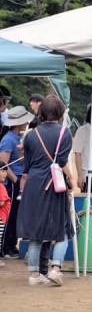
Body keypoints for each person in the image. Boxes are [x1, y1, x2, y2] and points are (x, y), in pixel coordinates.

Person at [18, 96, 75, 286]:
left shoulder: (31, 135)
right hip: (53, 183)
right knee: (61, 229)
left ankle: (34, 275)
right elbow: (62, 160)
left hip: (34, 184)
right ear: (59, 112)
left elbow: (27, 165)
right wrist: (71, 178)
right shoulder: (64, 133)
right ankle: (56, 268)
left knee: (35, 231)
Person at [0, 105, 33, 257]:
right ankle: (6, 246)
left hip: (19, 179)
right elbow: (3, 163)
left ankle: (12, 245)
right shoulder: (8, 140)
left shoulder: (18, 137)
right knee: (10, 214)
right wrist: (14, 180)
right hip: (13, 182)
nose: (27, 123)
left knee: (16, 214)